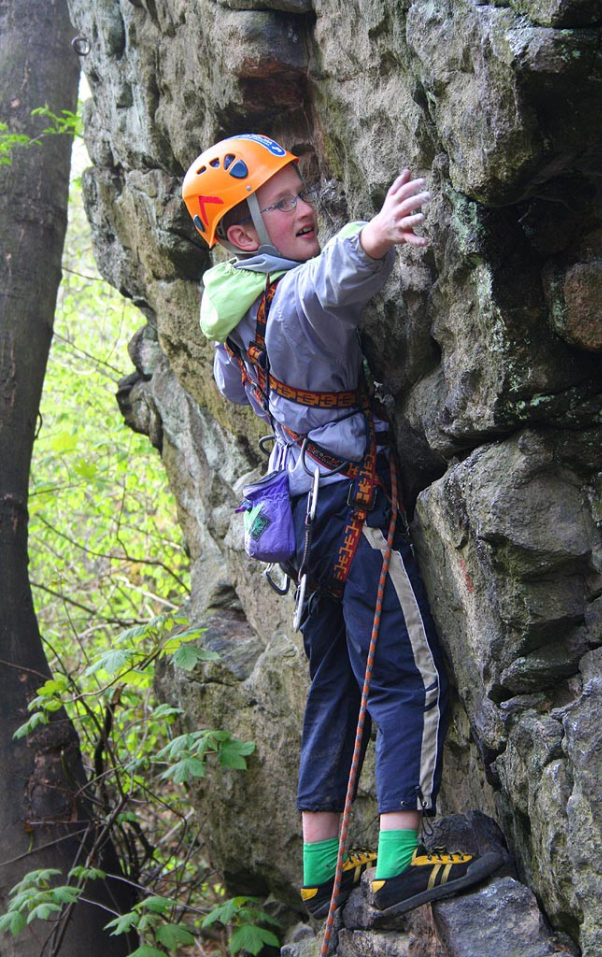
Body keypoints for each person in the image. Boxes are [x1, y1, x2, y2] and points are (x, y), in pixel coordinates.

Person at [182, 134, 502, 919]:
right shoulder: (286, 302)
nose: (303, 208)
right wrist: (376, 234)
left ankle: (321, 870)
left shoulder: (235, 320)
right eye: (281, 202)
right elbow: (327, 284)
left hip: (302, 517)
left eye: (299, 193)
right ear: (242, 235)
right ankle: (397, 866)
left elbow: (243, 375)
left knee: (334, 685)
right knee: (405, 675)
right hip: (351, 507)